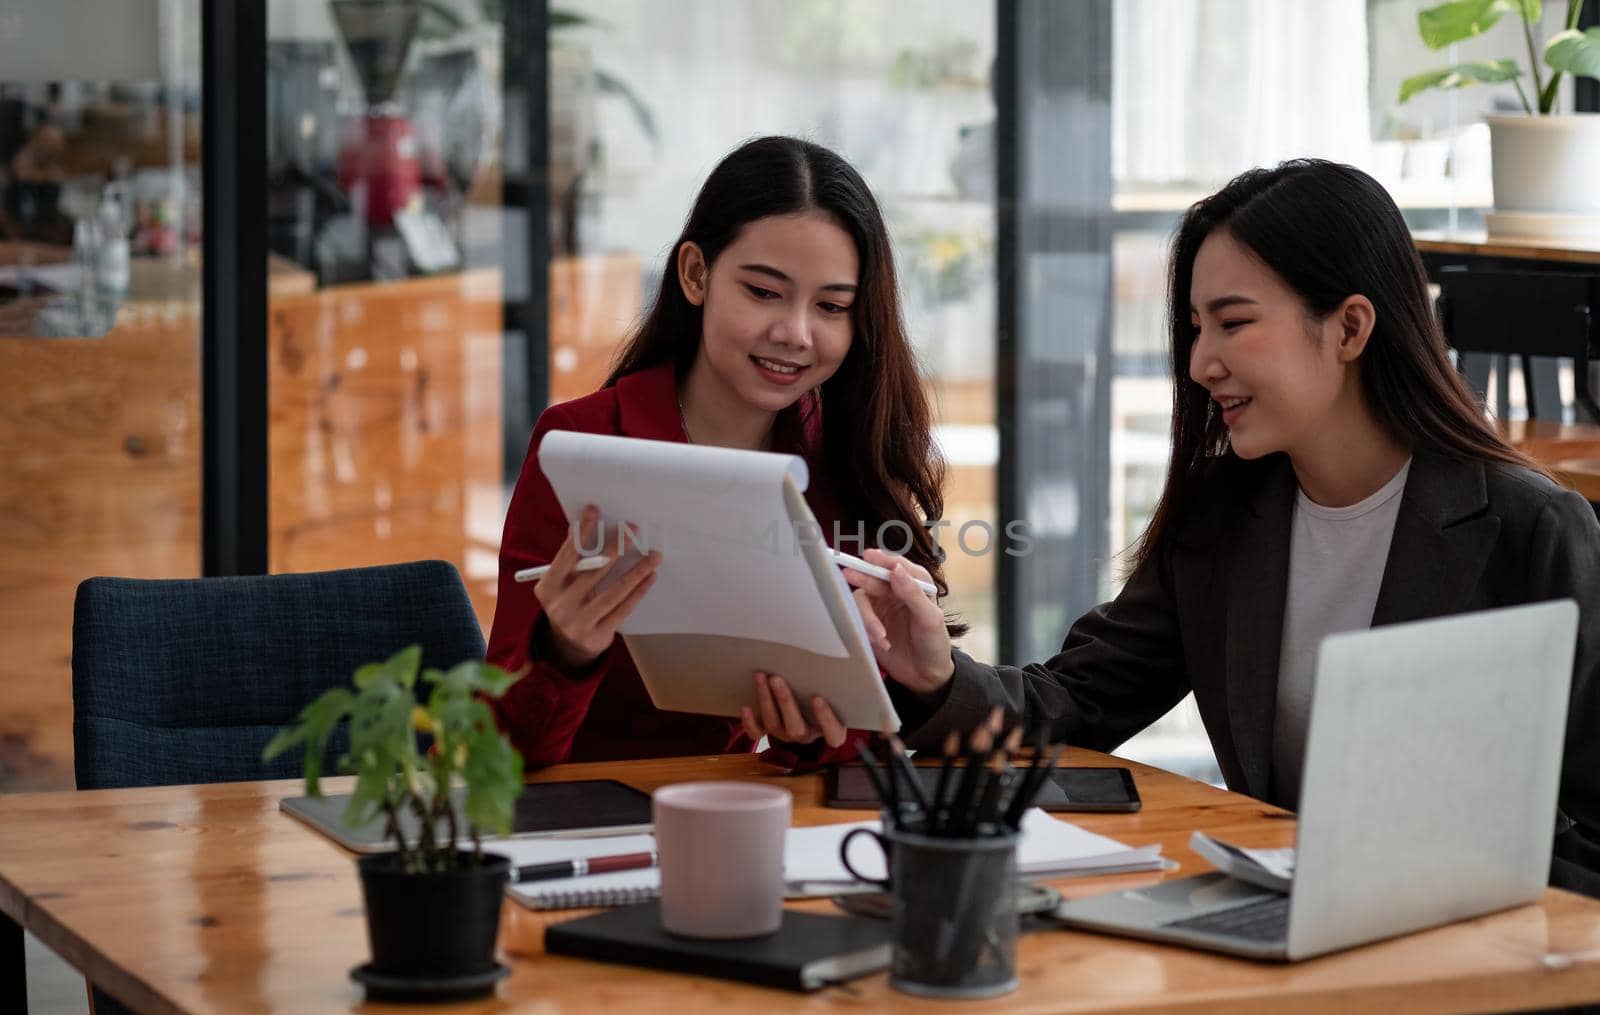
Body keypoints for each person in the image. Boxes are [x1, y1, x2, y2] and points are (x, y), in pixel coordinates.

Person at [842, 158, 1600, 893]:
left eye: (1233, 323)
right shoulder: (1220, 524)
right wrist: (936, 674)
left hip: (1482, 958)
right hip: (1284, 927)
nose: (1202, 362)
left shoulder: (1532, 531)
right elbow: (1074, 704)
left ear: (1350, 327)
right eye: (1196, 327)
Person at [489, 135, 957, 769]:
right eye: (764, 293)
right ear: (695, 274)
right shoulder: (586, 445)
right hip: (576, 819)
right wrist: (564, 652)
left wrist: (815, 735)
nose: (794, 334)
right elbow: (494, 753)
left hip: (743, 814)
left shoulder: (849, 456)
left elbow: (858, 750)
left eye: (832, 307)